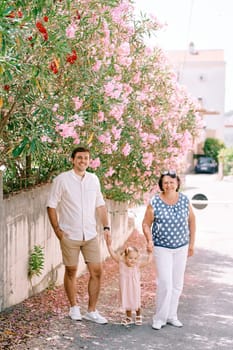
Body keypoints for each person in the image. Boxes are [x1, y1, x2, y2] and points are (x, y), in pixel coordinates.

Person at [47, 146, 111, 324]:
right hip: (70, 234)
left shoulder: (93, 179)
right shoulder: (62, 180)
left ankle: (92, 311)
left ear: (89, 161)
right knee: (71, 271)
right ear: (73, 160)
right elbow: (51, 205)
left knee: (97, 272)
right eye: (80, 158)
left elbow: (100, 204)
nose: (83, 161)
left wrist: (106, 227)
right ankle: (74, 307)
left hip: (90, 234)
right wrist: (58, 231)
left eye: (86, 158)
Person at [142, 171, 196, 330]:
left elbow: (192, 221)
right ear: (161, 185)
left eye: (172, 182)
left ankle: (172, 315)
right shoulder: (155, 201)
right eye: (166, 182)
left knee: (177, 283)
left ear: (177, 183)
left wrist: (192, 244)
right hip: (162, 247)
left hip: (181, 246)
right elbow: (146, 223)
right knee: (165, 282)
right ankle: (159, 318)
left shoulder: (184, 200)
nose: (169, 185)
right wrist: (149, 240)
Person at [106, 240, 152, 326]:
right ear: (125, 257)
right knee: (127, 300)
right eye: (130, 258)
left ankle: (138, 315)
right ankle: (129, 317)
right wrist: (109, 246)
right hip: (125, 287)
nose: (133, 260)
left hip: (134, 287)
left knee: (136, 300)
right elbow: (113, 255)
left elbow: (148, 261)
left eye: (135, 258)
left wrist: (150, 253)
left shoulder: (137, 265)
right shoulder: (122, 264)